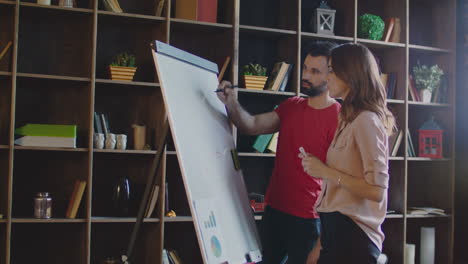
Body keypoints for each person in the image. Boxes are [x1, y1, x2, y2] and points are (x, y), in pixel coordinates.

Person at [216, 41, 340, 264]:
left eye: (314, 71)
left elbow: (340, 178)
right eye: (305, 68)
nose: (306, 75)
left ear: (331, 76)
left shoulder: (339, 118)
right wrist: (232, 104)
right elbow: (252, 125)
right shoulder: (291, 105)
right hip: (274, 211)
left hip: (308, 219)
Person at [299, 43, 394, 263]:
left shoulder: (366, 121)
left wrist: (325, 171)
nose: (327, 77)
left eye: (331, 70)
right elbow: (339, 198)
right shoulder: (346, 119)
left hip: (354, 238)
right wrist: (320, 246)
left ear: (349, 74)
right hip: (336, 234)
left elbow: (377, 190)